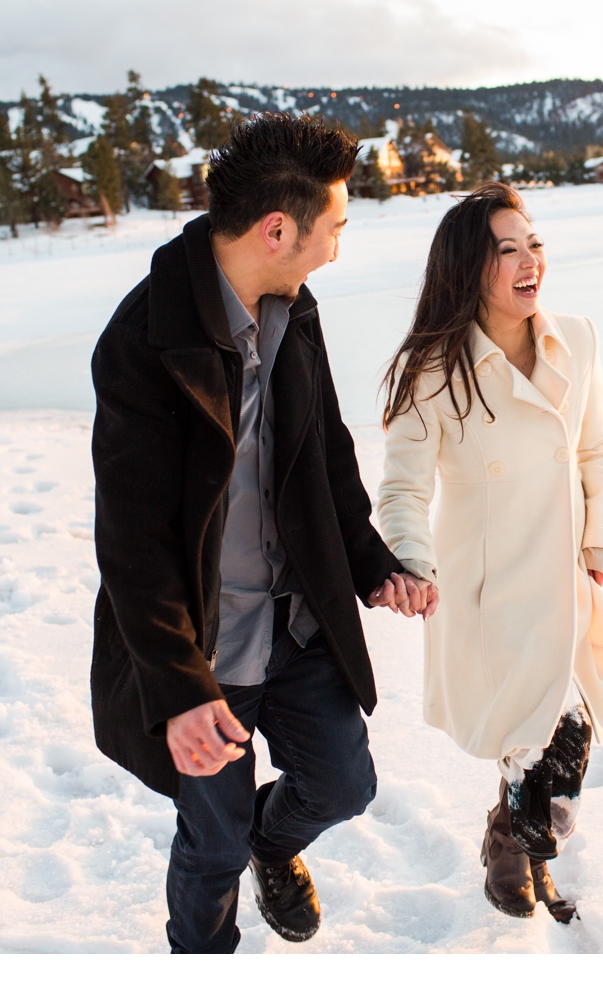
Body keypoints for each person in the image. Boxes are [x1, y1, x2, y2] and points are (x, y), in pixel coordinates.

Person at [90, 113, 436, 952]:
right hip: (206, 650)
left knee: (344, 784)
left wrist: (368, 561)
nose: (336, 250)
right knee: (208, 843)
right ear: (277, 230)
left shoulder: (291, 303)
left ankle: (271, 843)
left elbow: (324, 449)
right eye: (335, 229)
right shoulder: (144, 342)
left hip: (297, 622)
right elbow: (131, 543)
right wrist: (176, 690)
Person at [376, 182, 603, 923]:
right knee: (541, 741)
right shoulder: (434, 368)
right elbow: (401, 490)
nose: (530, 262)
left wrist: (600, 536)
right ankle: (520, 849)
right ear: (468, 268)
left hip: (567, 578)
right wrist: (411, 563)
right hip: (491, 593)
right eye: (507, 250)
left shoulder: (575, 338)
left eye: (534, 244)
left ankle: (510, 837)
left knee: (565, 744)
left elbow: (597, 447)